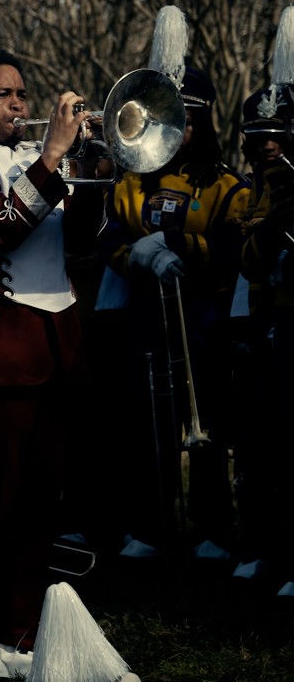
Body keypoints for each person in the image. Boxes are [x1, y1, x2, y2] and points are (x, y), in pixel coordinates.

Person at [0, 48, 110, 682]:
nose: (19, 105)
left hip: (55, 349)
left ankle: (21, 631)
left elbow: (86, 239)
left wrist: (90, 165)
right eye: (3, 95)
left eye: (22, 93)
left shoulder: (37, 163)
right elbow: (0, 228)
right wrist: (54, 159)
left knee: (40, 504)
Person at [104, 67, 247, 563]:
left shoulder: (228, 185)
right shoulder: (130, 183)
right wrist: (140, 255)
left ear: (203, 123)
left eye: (185, 122)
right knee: (148, 427)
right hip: (146, 321)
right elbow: (110, 240)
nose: (176, 134)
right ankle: (153, 525)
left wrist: (177, 245)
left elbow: (234, 248)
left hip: (203, 322)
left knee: (207, 423)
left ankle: (212, 528)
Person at [231, 80, 294, 595]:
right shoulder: (253, 189)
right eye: (258, 135)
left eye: (278, 133)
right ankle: (269, 550)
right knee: (263, 450)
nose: (268, 144)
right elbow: (249, 260)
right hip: (263, 328)